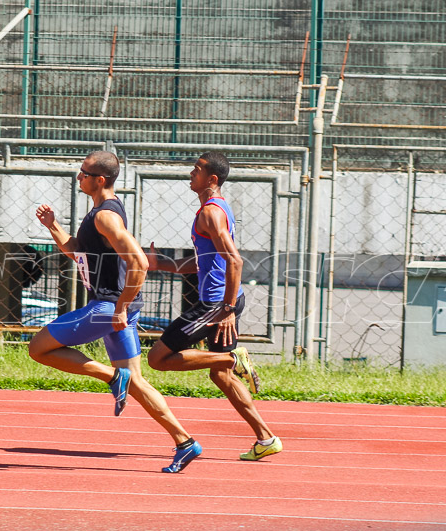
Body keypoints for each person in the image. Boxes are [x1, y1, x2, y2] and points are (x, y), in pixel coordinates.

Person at [28, 150, 203, 473]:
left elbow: (138, 262)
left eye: (83, 173)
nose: (79, 177)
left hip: (108, 308)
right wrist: (53, 227)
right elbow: (77, 252)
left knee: (38, 348)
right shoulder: (98, 213)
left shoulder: (106, 216)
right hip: (115, 307)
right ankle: (185, 442)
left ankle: (112, 376)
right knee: (137, 382)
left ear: (100, 180)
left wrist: (120, 308)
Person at [146, 152, 282, 462]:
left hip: (216, 304)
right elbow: (204, 261)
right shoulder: (215, 210)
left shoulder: (210, 213)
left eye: (196, 170)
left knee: (157, 358)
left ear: (212, 179)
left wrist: (227, 309)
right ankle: (266, 437)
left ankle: (233, 357)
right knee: (221, 375)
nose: (190, 174)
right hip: (222, 301)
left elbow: (235, 260)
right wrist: (162, 264)